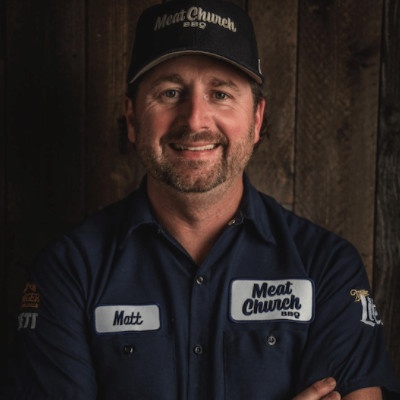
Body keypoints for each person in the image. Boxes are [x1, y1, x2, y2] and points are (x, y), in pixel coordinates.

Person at [4, 0, 400, 399]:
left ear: (256, 119)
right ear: (132, 117)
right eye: (170, 92)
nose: (195, 119)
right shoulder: (70, 270)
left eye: (221, 93)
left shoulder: (326, 266)